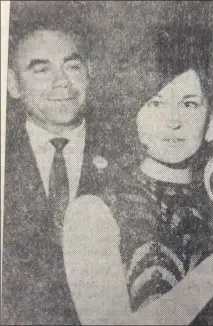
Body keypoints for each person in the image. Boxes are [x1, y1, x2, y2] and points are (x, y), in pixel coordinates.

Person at [61, 26, 213, 325]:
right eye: (155, 103)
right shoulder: (93, 211)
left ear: (212, 122)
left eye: (189, 104)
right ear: (134, 116)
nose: (173, 121)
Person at [2, 18, 121, 324]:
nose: (62, 82)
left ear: (89, 73)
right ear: (14, 85)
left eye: (72, 66)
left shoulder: (127, 154)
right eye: (41, 70)